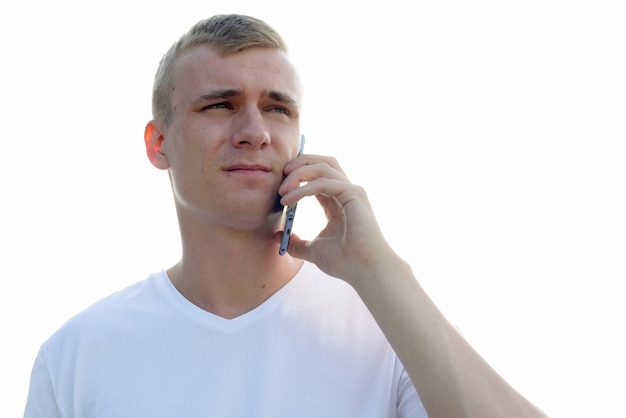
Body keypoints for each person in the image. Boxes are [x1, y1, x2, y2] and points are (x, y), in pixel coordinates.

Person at [24, 14, 547, 418]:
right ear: (159, 143)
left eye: (278, 108)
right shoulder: (76, 354)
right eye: (220, 105)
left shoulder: (389, 330)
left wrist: (377, 266)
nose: (255, 130)